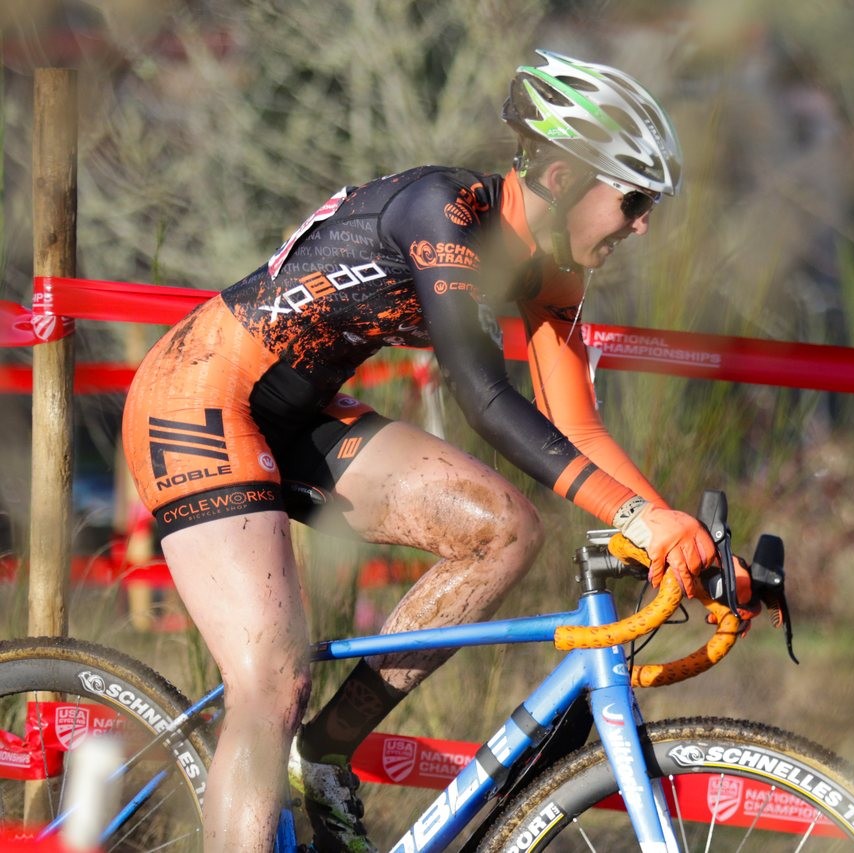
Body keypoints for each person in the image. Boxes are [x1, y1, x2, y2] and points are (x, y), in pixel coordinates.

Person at [121, 49, 752, 853]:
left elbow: (577, 429)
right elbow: (484, 397)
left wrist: (672, 532)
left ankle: (323, 751)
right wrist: (636, 515)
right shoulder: (441, 214)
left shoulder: (549, 270)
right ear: (562, 179)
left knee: (506, 528)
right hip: (198, 399)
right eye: (633, 199)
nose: (642, 224)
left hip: (296, 414)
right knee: (270, 681)